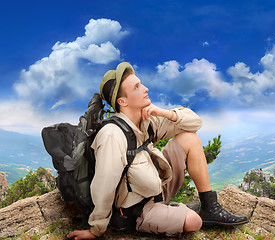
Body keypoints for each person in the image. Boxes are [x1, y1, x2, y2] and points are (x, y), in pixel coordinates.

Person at [67, 62, 248, 239]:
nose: (145, 88)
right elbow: (104, 185)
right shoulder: (112, 135)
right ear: (122, 101)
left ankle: (210, 207)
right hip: (136, 210)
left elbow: (195, 123)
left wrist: (166, 113)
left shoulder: (147, 121)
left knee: (189, 138)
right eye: (137, 87)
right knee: (193, 222)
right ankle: (181, 211)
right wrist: (96, 229)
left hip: (157, 189)